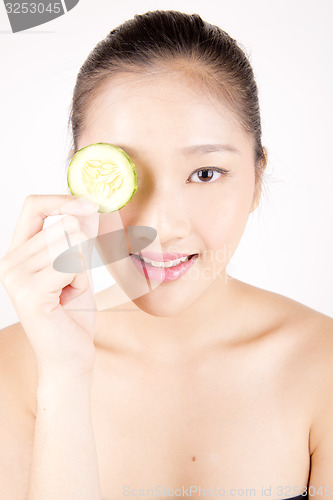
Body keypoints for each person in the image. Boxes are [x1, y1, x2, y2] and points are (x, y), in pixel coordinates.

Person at [0, 9, 332, 500]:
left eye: (206, 173)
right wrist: (65, 381)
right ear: (80, 180)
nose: (162, 227)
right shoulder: (17, 366)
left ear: (257, 178)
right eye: (124, 173)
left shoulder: (323, 363)